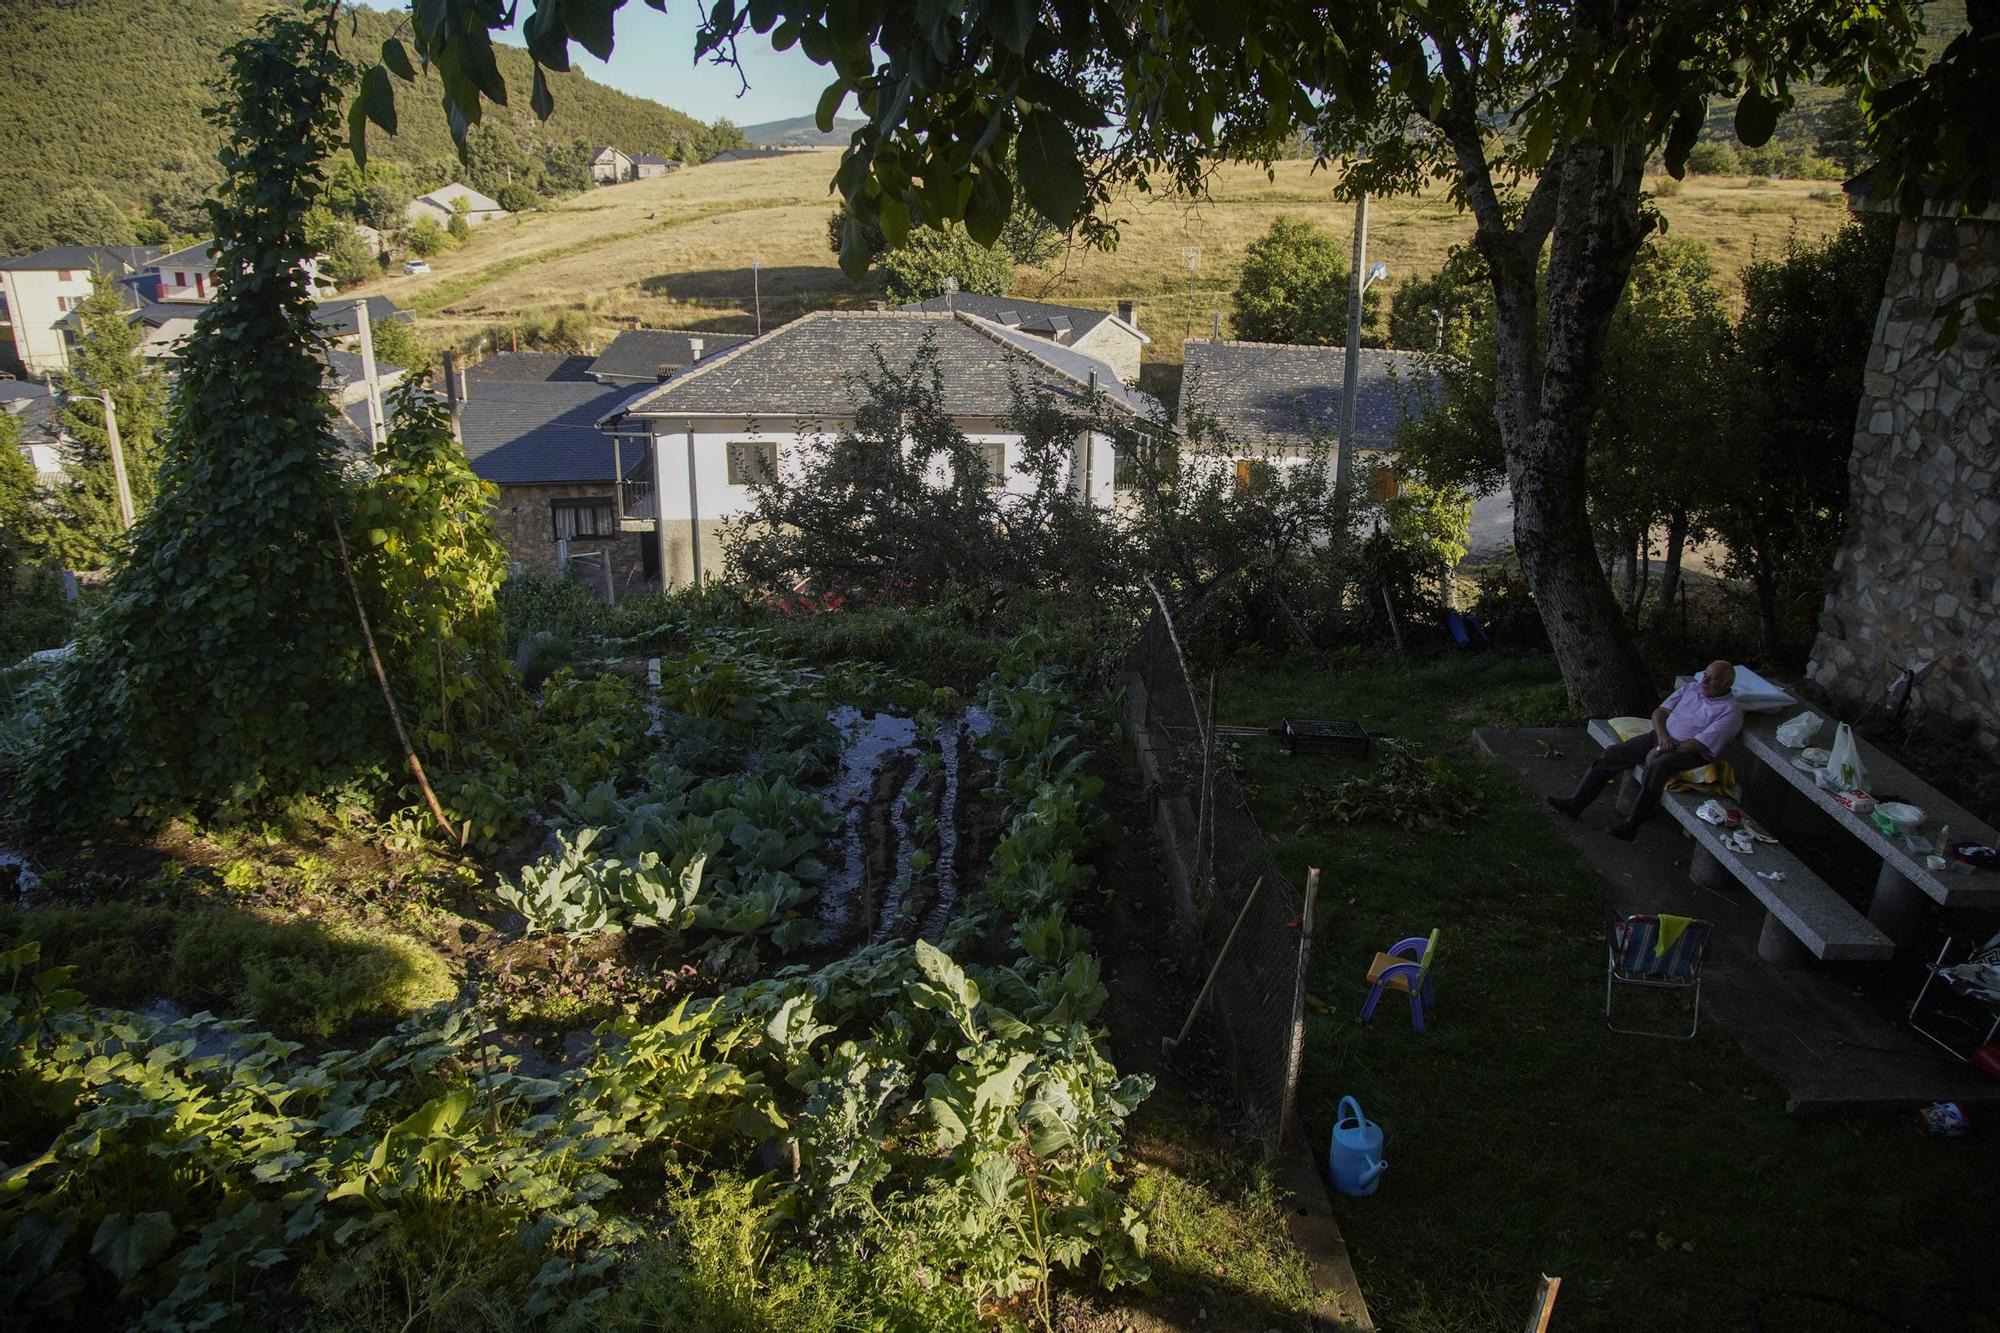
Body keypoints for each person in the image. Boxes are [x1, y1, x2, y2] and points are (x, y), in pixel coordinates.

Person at [1547, 661, 1744, 841]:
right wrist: (1661, 739)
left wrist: (1660, 750)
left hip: (1688, 752)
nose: (1705, 680)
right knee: (1614, 753)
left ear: (1726, 684)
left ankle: (1631, 826)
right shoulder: (1691, 688)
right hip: (1661, 737)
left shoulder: (1730, 711)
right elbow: (1660, 713)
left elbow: (1698, 744)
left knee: (1657, 767)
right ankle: (1575, 804)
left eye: (1713, 678)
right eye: (1705, 675)